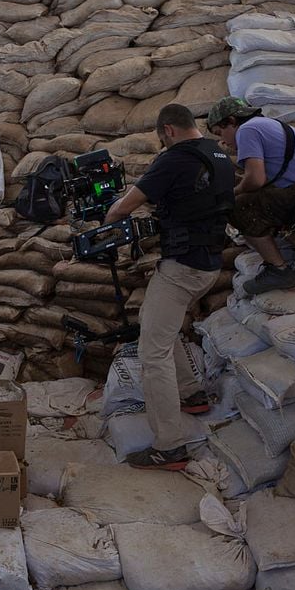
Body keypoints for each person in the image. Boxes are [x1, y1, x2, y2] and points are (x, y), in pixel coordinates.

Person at [103, 104, 235, 470]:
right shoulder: (218, 153)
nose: (162, 143)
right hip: (208, 263)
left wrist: (104, 220)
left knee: (152, 354)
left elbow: (122, 209)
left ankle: (169, 446)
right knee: (155, 320)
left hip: (182, 267)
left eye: (162, 137)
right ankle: (192, 392)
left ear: (168, 130)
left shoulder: (174, 159)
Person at [204, 96, 295, 295]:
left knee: (237, 206)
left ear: (231, 121)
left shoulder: (247, 130)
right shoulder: (265, 124)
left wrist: (231, 193)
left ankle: (278, 270)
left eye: (220, 133)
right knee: (262, 202)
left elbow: (256, 179)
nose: (222, 141)